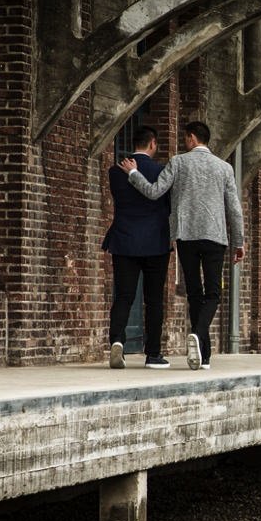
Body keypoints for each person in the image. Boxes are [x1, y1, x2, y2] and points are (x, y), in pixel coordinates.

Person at [118, 121, 244, 370]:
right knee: (213, 294)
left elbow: (154, 192)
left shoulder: (177, 162)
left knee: (194, 293)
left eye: (186, 138)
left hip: (185, 237)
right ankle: (200, 342)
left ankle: (203, 354)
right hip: (214, 238)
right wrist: (239, 241)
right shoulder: (225, 168)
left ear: (192, 138)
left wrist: (133, 173)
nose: (184, 142)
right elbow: (234, 209)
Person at [102, 125, 172, 369]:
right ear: (153, 144)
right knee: (153, 300)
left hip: (124, 240)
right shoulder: (162, 171)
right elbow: (167, 204)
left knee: (123, 296)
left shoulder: (114, 172)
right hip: (155, 243)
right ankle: (153, 354)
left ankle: (117, 341)